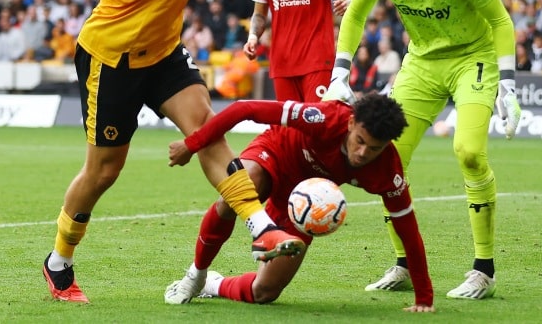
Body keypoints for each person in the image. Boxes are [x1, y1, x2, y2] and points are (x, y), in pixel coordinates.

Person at [41, 0, 348, 303]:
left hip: (162, 50)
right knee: (104, 171)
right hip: (113, 58)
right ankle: (59, 260)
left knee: (205, 127)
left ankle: (259, 224)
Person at [324, 0, 521, 299]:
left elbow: (501, 20)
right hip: (421, 63)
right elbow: (356, 13)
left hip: (473, 59)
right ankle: (405, 265)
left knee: (468, 152)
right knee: (384, 156)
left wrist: (510, 83)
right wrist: (340, 72)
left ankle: (483, 269)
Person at [163, 94, 434, 312]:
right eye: (359, 142)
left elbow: (408, 228)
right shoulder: (326, 118)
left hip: (306, 204)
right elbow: (245, 108)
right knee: (234, 195)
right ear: (351, 124)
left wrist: (424, 298)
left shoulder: (387, 171)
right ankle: (196, 273)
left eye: (373, 148)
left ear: (387, 145)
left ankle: (213, 284)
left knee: (264, 292)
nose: (363, 153)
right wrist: (192, 144)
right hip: (275, 155)